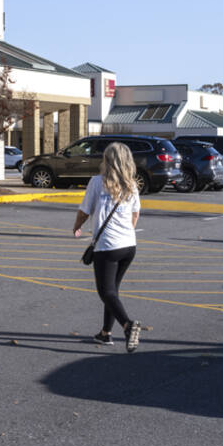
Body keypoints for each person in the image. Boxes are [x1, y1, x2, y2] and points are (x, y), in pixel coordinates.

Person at [71, 142, 145, 350]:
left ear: (107, 160)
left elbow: (84, 211)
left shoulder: (97, 182)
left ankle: (128, 325)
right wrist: (125, 233)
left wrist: (76, 227)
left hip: (108, 246)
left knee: (106, 291)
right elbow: (135, 214)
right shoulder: (131, 184)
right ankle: (105, 333)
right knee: (113, 290)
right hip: (129, 245)